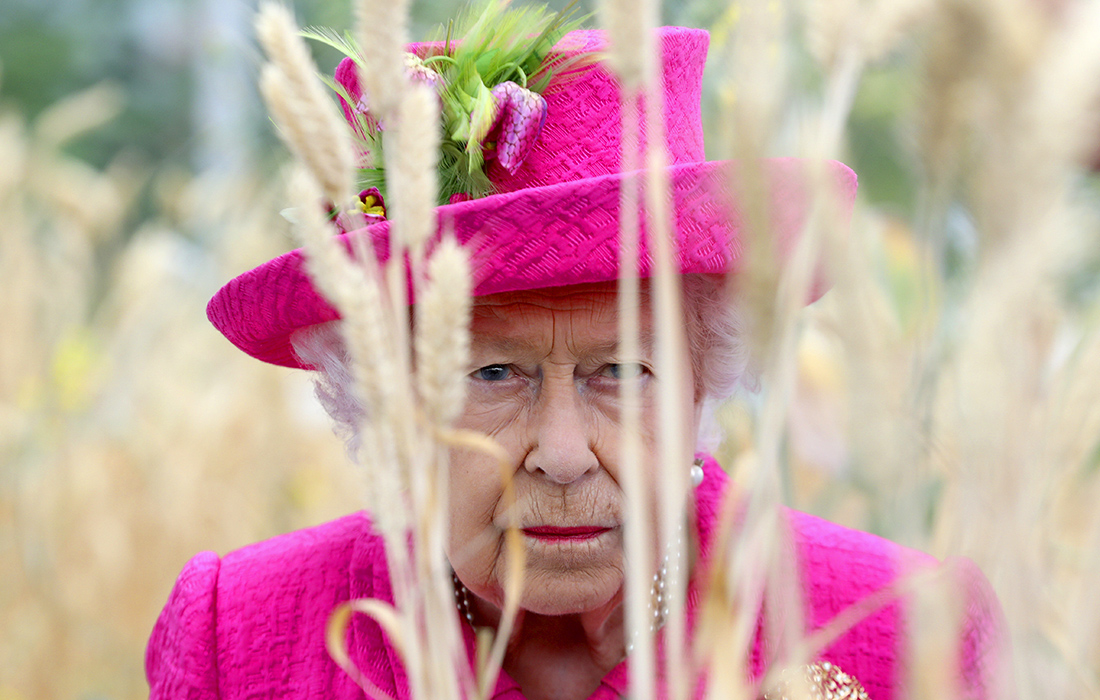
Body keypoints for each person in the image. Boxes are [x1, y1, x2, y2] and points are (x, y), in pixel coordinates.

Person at [146, 10, 1009, 700]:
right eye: (491, 372)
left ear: (708, 379)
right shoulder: (237, 635)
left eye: (622, 371)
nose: (562, 456)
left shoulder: (903, 629)